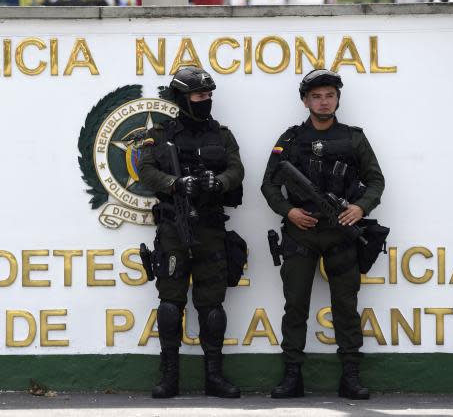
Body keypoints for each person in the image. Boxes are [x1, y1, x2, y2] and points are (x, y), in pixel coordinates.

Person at [261, 69, 385, 400]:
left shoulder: (354, 138)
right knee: (296, 304)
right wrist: (289, 211)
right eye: (316, 96)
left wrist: (360, 208)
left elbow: (376, 181)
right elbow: (269, 184)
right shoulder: (289, 139)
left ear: (337, 99)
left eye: (329, 95)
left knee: (346, 304)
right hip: (301, 233)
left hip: (342, 232)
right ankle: (291, 377)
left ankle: (351, 377)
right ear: (305, 101)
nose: (324, 101)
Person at [138, 66, 244, 399]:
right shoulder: (161, 134)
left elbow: (237, 169)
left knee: (212, 306)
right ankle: (169, 376)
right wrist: (174, 183)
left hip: (210, 227)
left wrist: (221, 182)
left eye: (209, 95)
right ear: (184, 99)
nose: (206, 101)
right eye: (200, 96)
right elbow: (145, 168)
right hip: (173, 227)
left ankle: (214, 376)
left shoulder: (221, 134)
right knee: (170, 303)